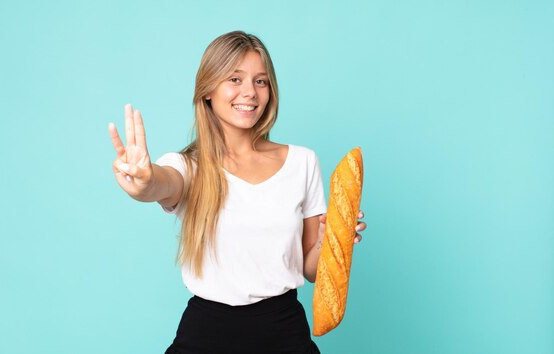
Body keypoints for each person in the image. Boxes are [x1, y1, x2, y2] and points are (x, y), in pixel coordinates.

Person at [108, 31, 367, 354]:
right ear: (208, 91)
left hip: (284, 331)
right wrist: (145, 183)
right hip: (206, 333)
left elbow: (310, 270)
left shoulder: (302, 162)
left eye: (261, 81)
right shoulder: (188, 166)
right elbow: (162, 183)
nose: (250, 92)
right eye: (235, 78)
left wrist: (329, 240)